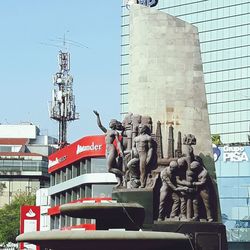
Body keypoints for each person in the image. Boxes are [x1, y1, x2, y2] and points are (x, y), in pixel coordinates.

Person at [93, 110, 124, 187]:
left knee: (109, 168)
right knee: (113, 167)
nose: (109, 123)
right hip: (107, 150)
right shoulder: (107, 131)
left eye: (111, 122)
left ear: (113, 124)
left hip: (111, 149)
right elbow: (100, 125)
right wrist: (97, 116)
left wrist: (120, 151)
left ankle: (124, 175)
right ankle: (119, 182)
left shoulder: (115, 132)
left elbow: (118, 142)